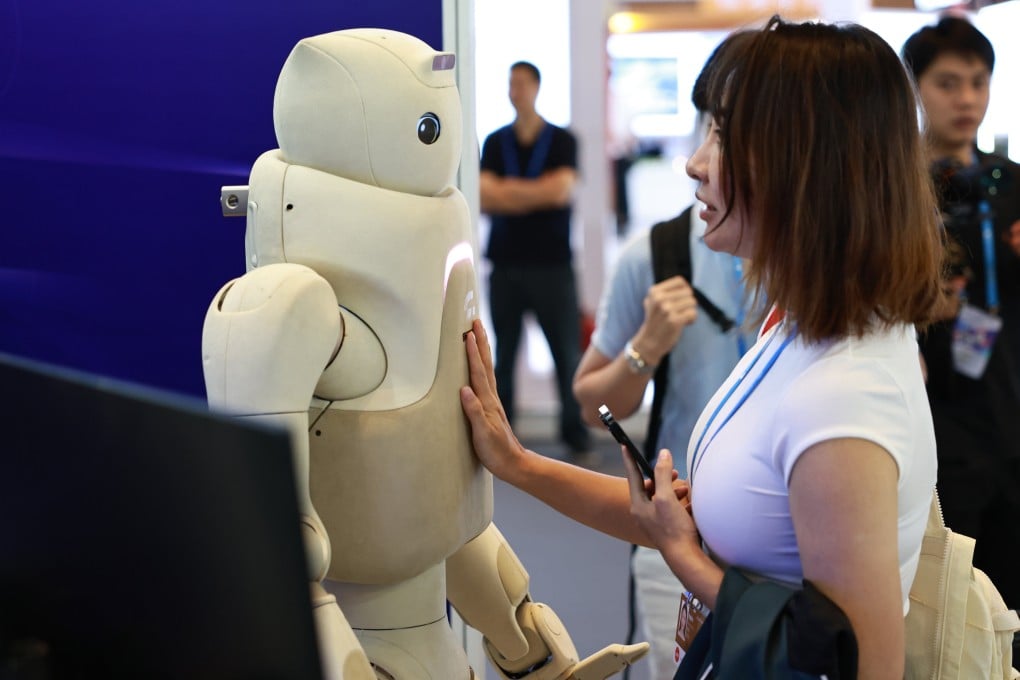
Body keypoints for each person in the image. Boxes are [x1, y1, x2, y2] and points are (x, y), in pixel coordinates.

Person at [462, 16, 944, 679]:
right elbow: (696, 527)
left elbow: (857, 664)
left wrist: (685, 559)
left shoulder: (841, 394)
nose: (694, 162)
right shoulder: (795, 327)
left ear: (800, 164)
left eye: (722, 135)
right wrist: (516, 463)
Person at [572, 33, 754, 680]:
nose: (697, 164)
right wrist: (645, 348)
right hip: (680, 533)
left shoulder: (828, 278)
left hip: (782, 542)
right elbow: (592, 404)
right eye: (713, 127)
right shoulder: (656, 255)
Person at [901, 15, 1020, 613]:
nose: (967, 99)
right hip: (933, 419)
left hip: (1009, 410)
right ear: (915, 88)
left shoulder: (1011, 185)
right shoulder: (897, 192)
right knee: (946, 604)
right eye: (948, 83)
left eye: (978, 82)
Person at [479, 61, 594, 465]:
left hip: (552, 266)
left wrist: (508, 192)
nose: (516, 91)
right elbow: (483, 196)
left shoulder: (562, 140)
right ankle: (503, 436)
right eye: (511, 84)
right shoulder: (495, 142)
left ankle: (576, 436)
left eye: (522, 83)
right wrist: (536, 192)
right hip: (506, 266)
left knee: (566, 354)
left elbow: (560, 192)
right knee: (504, 356)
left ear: (537, 87)